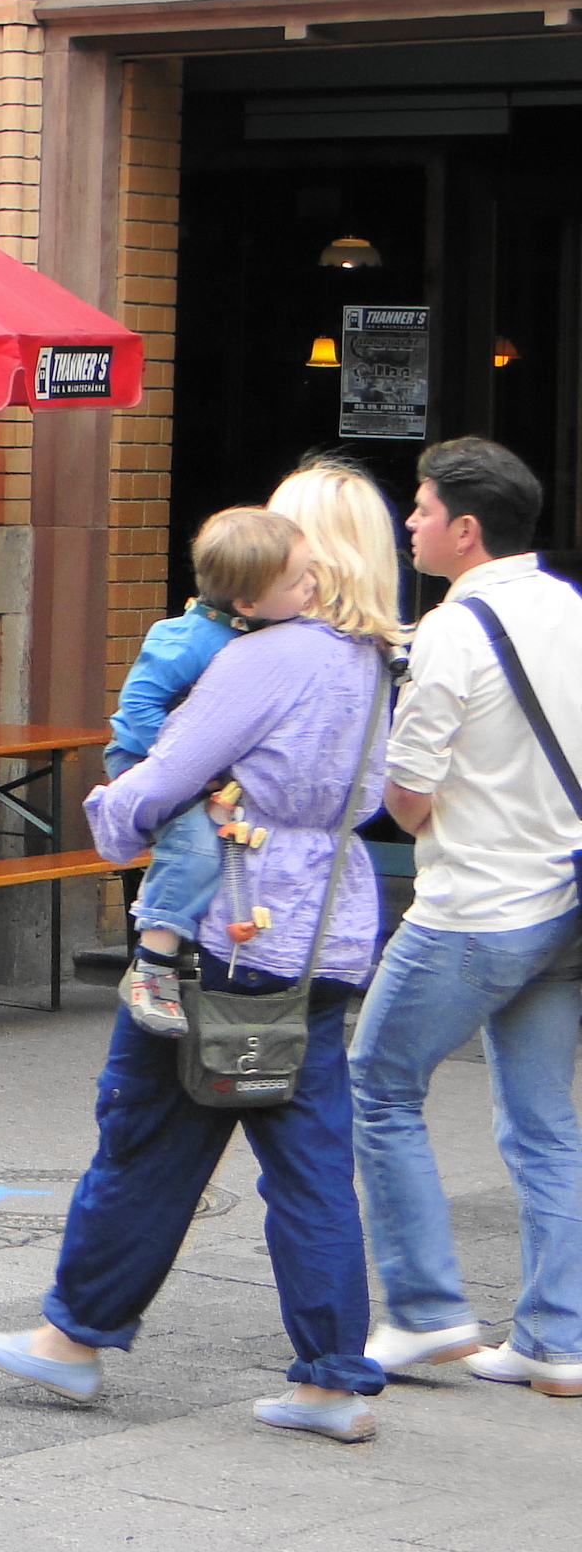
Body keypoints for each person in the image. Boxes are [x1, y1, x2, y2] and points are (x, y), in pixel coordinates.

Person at [0, 508, 394, 1441]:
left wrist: (111, 815)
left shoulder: (261, 658)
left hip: (230, 934)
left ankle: (72, 1340)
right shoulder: (368, 659)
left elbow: (168, 774)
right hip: (327, 929)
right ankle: (331, 1380)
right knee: (315, 1166)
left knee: (145, 1139)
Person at [349, 438, 582, 1392]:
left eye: (421, 508)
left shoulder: (449, 628)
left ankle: (423, 1309)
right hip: (562, 901)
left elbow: (405, 792)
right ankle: (556, 1339)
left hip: (474, 906)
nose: (410, 523)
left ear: (467, 529)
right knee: (544, 1124)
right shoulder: (567, 606)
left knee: (378, 1081)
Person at [108, 508, 335, 1035]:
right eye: (299, 579)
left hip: (213, 773)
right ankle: (154, 962)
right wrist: (188, 763)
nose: (312, 584)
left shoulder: (260, 630)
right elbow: (134, 709)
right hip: (152, 762)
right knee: (195, 847)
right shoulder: (184, 641)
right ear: (248, 603)